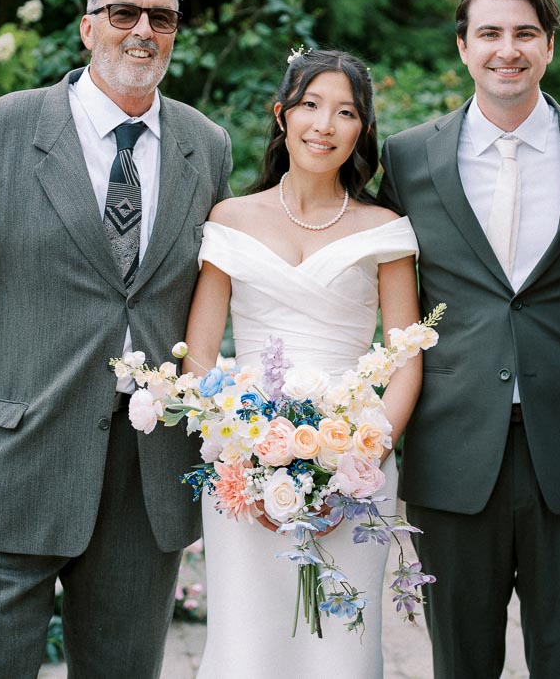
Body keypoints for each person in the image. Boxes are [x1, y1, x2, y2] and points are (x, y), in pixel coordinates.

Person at [0, 0, 233, 678]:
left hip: (146, 471)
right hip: (14, 455)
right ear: (88, 27)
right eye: (123, 13)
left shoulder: (207, 147)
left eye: (161, 17)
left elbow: (212, 297)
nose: (142, 30)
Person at [376, 0, 560, 677]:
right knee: (460, 663)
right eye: (489, 33)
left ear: (549, 47)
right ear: (463, 47)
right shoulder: (407, 157)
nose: (507, 49)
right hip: (453, 452)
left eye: (525, 34)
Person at [182, 48, 422, 678]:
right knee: (246, 646)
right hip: (242, 468)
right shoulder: (230, 220)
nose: (324, 124)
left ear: (362, 130)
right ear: (281, 114)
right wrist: (240, 450)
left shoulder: (384, 228)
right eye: (311, 105)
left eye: (345, 112)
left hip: (355, 466)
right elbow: (200, 356)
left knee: (339, 651)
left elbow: (406, 358)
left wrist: (361, 453)